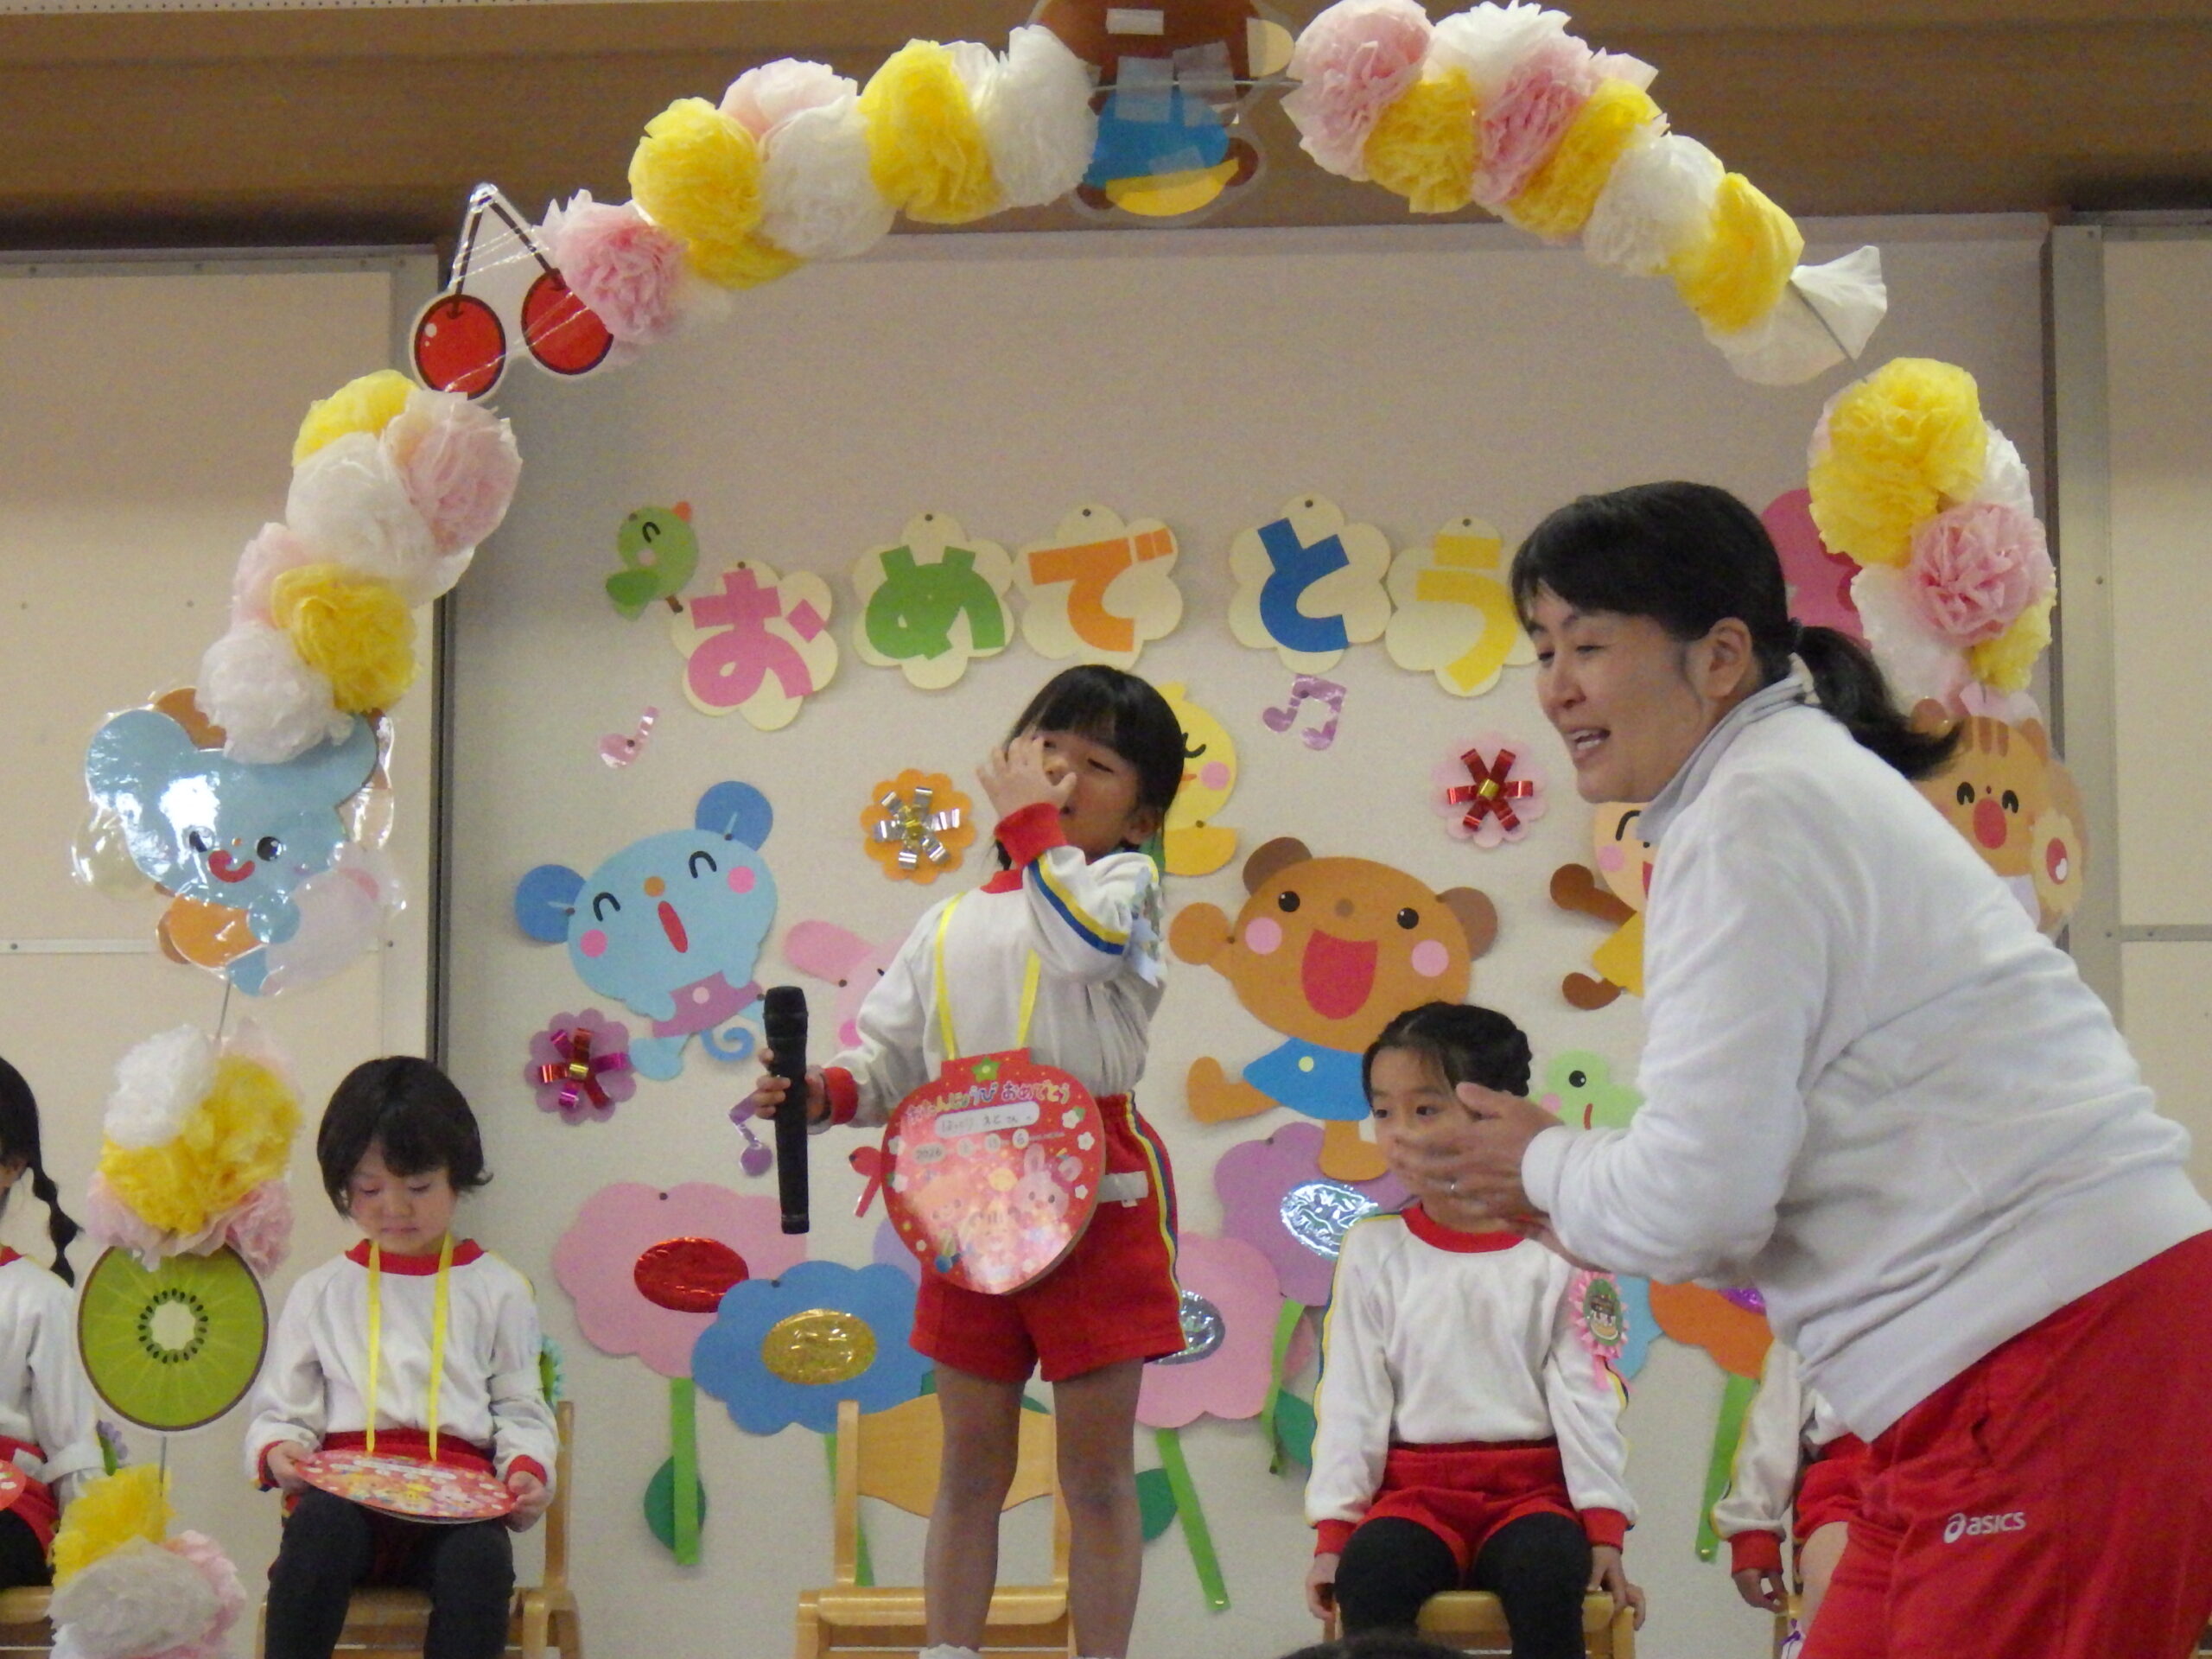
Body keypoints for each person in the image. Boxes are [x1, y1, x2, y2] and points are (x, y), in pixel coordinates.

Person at [1413, 480, 2212, 1657]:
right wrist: (1560, 1190)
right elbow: (1740, 1205)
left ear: (1720, 657)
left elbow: (1701, 1203)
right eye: (1542, 650)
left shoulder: (1756, 810)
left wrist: (1540, 1165)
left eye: (1586, 645)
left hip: (2048, 1350)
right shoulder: (1770, 787)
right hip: (1994, 1363)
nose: (1556, 687)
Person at [750, 664, 1186, 1659]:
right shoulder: (947, 921)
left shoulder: (1124, 889)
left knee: (1096, 1476)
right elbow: (891, 1063)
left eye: (1097, 766)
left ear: (1142, 817)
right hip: (965, 1200)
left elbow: (1079, 948)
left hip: (1096, 1195)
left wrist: (1033, 831)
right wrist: (823, 1094)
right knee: (970, 1465)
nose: (1062, 776)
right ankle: (950, 1650)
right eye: (1047, 751)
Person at [1305, 1002, 1642, 1659]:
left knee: (1549, 1574)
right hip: (1413, 1499)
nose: (1400, 1133)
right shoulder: (1374, 1250)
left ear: (1495, 1113)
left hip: (1532, 1499)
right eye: (1383, 1112)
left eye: (1426, 1109)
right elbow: (1353, 1398)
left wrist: (1604, 1527)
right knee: (1372, 1576)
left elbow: (1585, 1393)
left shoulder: (1559, 1247)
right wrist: (1334, 1536)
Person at [248, 1056, 558, 1659]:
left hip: (458, 1507)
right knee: (316, 1532)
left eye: (418, 1187)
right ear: (344, 1186)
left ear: (457, 1178)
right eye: (369, 1189)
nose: (394, 1206)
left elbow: (521, 1406)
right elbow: (284, 1407)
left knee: (481, 1560)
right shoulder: (320, 1291)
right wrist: (278, 1448)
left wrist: (526, 1466)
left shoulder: (500, 1289)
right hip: (347, 1500)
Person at [0, 1056, 99, 1590]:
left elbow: (73, 1444)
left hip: (9, 1507)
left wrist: (93, 1563)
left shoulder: (41, 1297)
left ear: (10, 1166)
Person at [1711, 1342, 1866, 1656]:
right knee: (1835, 1587)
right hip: (1849, 1490)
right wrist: (1752, 1528)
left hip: (1949, 1481)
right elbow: (1774, 1425)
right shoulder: (1813, 1316)